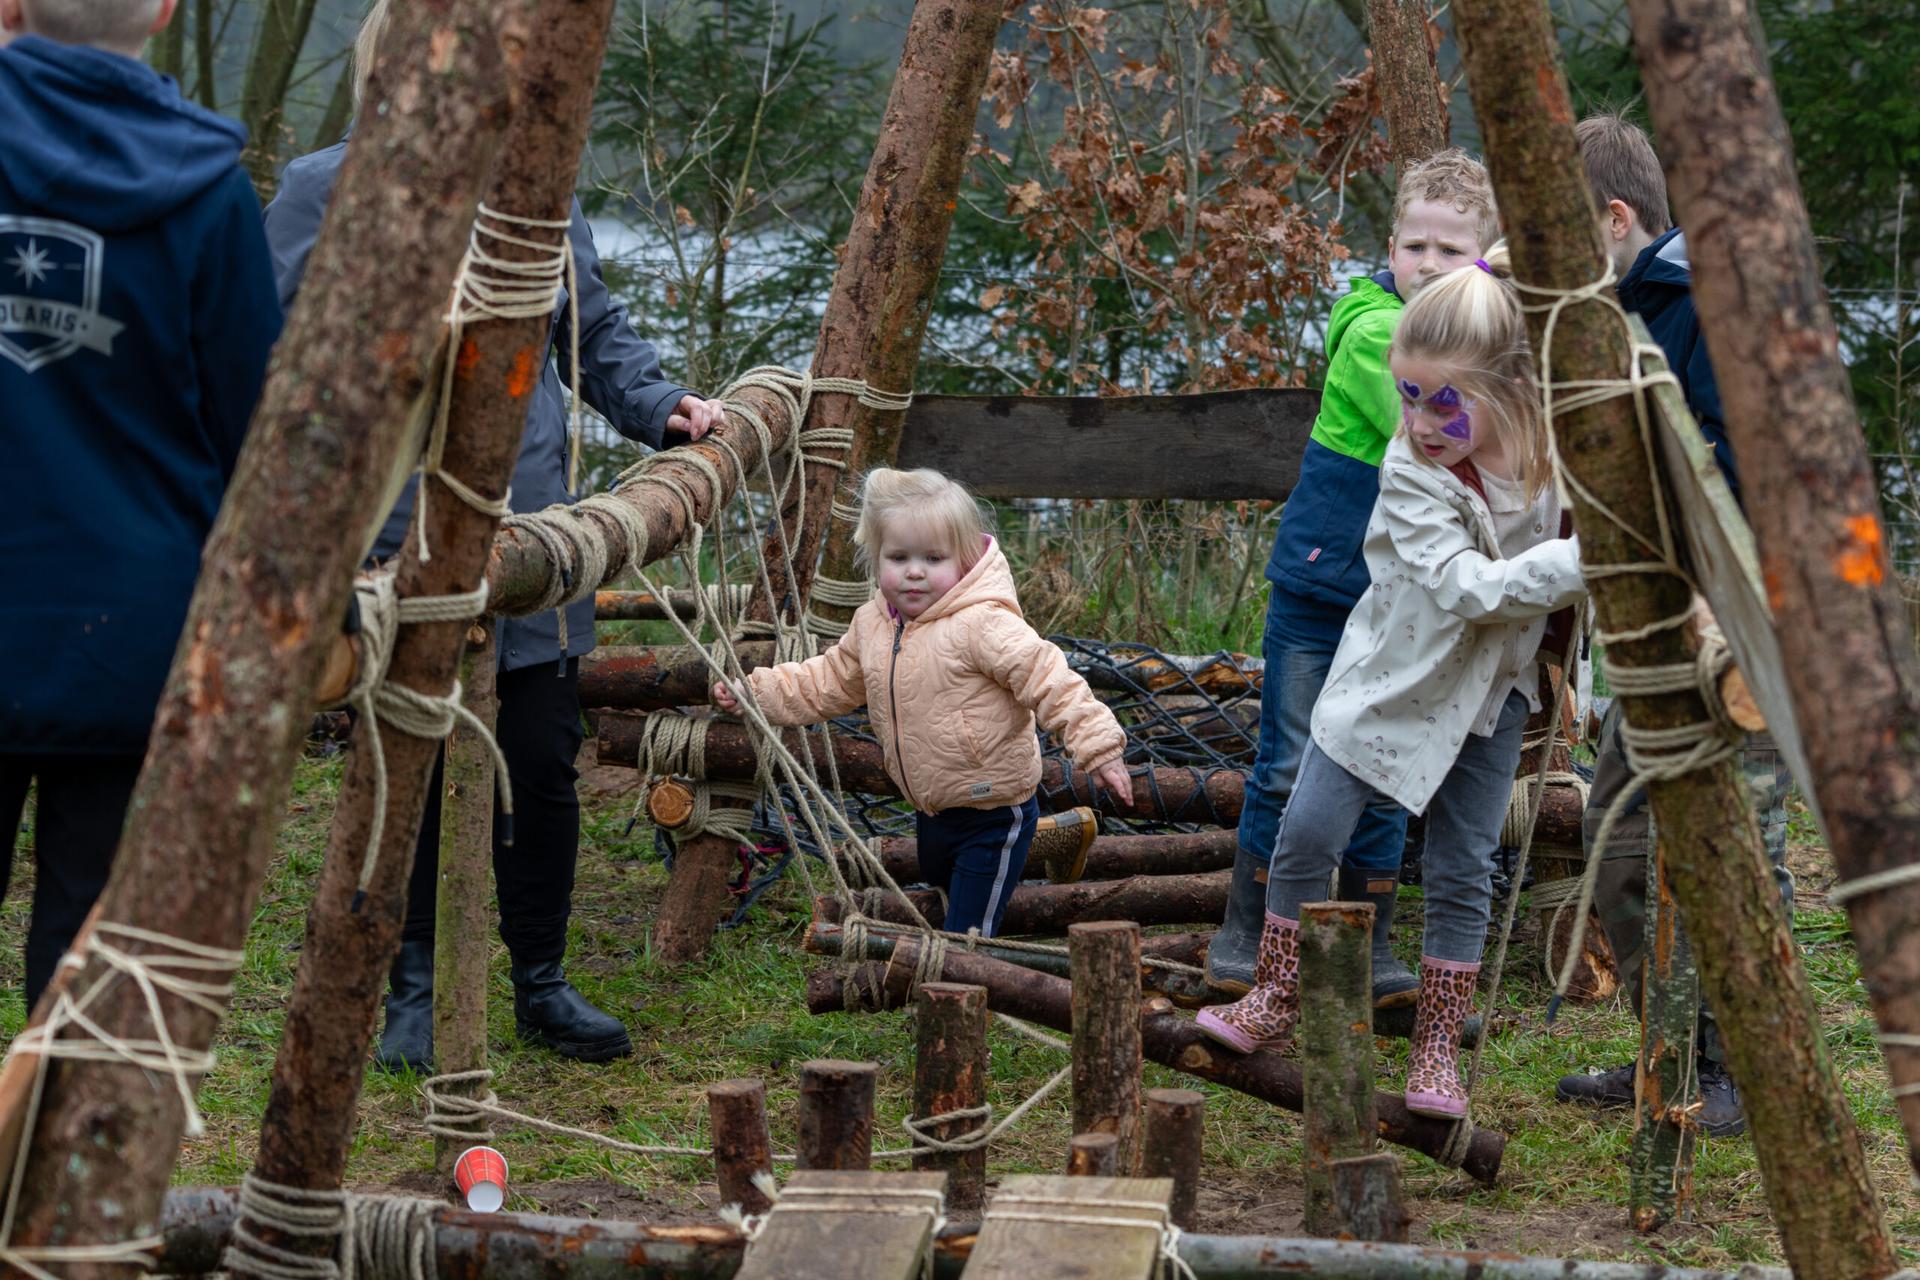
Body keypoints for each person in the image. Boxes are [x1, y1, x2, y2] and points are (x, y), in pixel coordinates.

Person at [263, 0, 723, 1069]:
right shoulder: (319, 191)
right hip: (394, 535)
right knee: (406, 763)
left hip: (535, 528)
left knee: (541, 762)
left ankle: (540, 981)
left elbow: (592, 330)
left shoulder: (538, 191)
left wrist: (662, 406)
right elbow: (272, 354)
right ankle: (411, 987)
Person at [1197, 248, 1587, 1119]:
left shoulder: (1557, 456)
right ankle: (1274, 993)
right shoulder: (1411, 470)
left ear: (1509, 385)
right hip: (1390, 681)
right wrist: (1582, 560)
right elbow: (1463, 590)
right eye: (1408, 395)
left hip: (1493, 693)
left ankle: (1438, 1047)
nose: (1423, 418)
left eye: (1445, 399)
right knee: (1308, 828)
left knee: (1463, 862)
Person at [0, 0, 280, 1008]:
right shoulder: (209, 193)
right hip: (130, 635)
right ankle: (64, 1168)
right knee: (90, 969)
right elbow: (262, 432)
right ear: (164, 12)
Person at [1552, 113, 1793, 1138]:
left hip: (1742, 631)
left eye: (1567, 239)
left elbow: (1742, 466)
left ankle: (1755, 1067)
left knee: (1739, 847)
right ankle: (1674, 1048)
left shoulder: (1704, 301)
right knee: (1620, 844)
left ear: (1615, 218)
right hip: (1652, 627)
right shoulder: (1613, 304)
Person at [1217, 150, 1499, 1007]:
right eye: (1415, 246)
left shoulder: (1467, 333)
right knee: (1289, 761)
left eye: (1453, 252)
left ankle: (1369, 945)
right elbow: (1443, 422)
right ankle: (1247, 934)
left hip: (1400, 606)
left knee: (1384, 768)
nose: (1428, 265)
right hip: (1321, 585)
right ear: (1389, 246)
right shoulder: (1380, 330)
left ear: (1481, 255)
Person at [713, 468, 1134, 938]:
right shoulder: (873, 624)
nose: (914, 571)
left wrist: (1098, 745)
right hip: (932, 806)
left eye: (933, 558)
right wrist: (759, 692)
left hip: (994, 806)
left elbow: (1049, 678)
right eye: (899, 557)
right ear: (876, 558)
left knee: (966, 929)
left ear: (965, 558)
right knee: (940, 879)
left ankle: (955, 993)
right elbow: (829, 679)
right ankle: (1055, 839)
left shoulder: (982, 624)